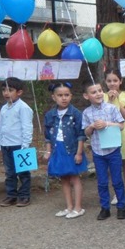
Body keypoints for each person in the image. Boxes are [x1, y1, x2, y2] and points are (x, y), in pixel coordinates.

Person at [82, 80, 125, 220]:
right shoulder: (86, 112)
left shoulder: (111, 108)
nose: (98, 94)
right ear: (86, 96)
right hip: (98, 152)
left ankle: (121, 207)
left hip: (113, 150)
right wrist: (92, 126)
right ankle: (105, 208)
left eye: (100, 91)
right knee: (102, 182)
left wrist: (107, 123)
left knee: (117, 180)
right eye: (93, 92)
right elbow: (86, 132)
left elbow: (121, 125)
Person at [42, 81, 86, 218]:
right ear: (54, 97)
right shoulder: (50, 115)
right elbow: (48, 136)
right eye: (60, 95)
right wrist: (48, 151)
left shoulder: (76, 113)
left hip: (72, 150)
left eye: (66, 95)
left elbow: (81, 135)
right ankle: (69, 206)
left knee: (74, 177)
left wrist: (79, 153)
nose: (64, 98)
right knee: (64, 179)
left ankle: (78, 207)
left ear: (71, 96)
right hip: (58, 150)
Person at [0, 77, 33, 207]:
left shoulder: (23, 108)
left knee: (23, 172)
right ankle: (11, 195)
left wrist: (25, 145)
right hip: (6, 145)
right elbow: (1, 126)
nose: (6, 93)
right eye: (4, 90)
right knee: (9, 172)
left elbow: (27, 127)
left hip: (19, 145)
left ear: (19, 92)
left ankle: (24, 196)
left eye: (10, 90)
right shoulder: (4, 108)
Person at [104, 68, 125, 204]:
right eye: (109, 81)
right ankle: (117, 193)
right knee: (114, 165)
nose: (112, 83)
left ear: (120, 81)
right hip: (110, 132)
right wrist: (110, 101)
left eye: (115, 80)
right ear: (105, 82)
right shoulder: (102, 97)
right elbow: (104, 115)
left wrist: (117, 99)